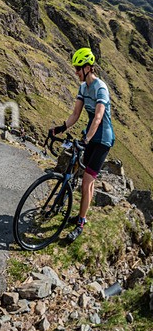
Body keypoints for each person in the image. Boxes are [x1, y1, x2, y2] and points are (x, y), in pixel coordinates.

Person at [49, 47, 115, 242]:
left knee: (86, 181)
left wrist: (86, 140)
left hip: (102, 140)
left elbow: (98, 117)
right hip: (90, 136)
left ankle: (80, 223)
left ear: (87, 68)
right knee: (87, 181)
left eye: (78, 68)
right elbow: (76, 114)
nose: (76, 72)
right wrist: (61, 128)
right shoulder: (83, 88)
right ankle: (81, 215)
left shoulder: (100, 88)